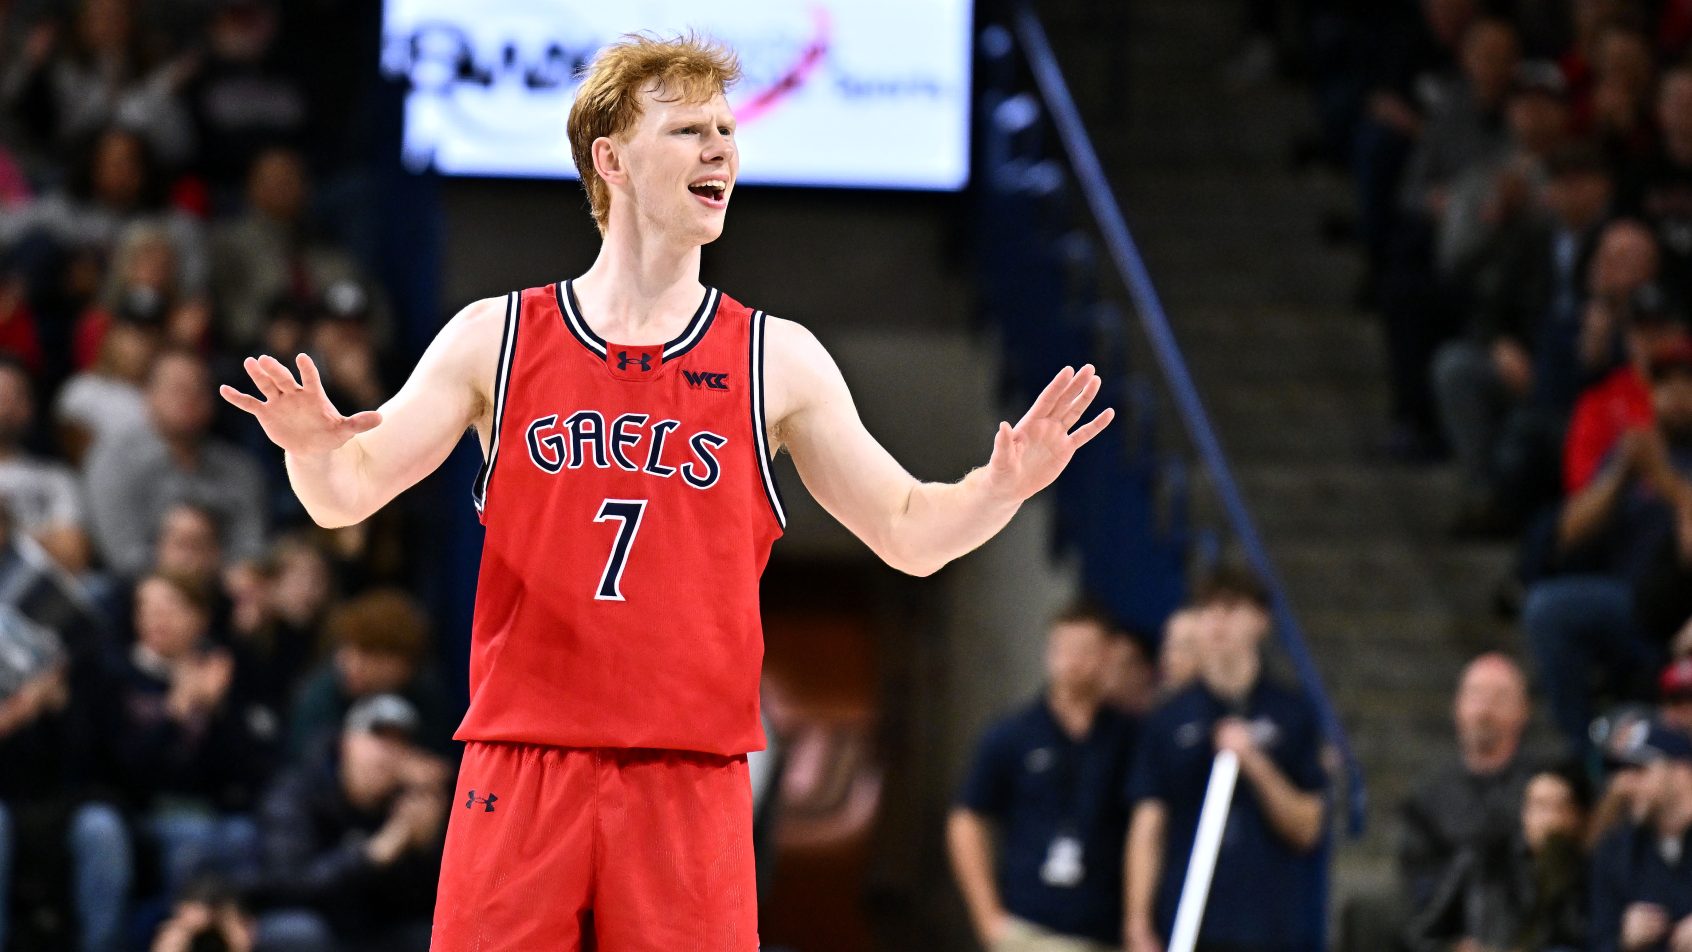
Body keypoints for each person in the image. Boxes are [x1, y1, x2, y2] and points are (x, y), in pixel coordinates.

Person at [218, 33, 1114, 949]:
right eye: (689, 129)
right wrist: (305, 450)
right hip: (525, 763)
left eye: (727, 128)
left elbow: (910, 532)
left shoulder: (778, 358)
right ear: (610, 159)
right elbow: (345, 495)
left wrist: (999, 487)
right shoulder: (495, 337)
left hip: (689, 776)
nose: (722, 146)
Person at [1124, 568, 1327, 952]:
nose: (1217, 621)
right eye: (1208, 609)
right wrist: (1137, 920)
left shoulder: (1293, 713)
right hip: (1190, 925)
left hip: (1271, 928)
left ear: (1261, 620)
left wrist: (1254, 762)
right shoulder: (1169, 720)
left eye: (1231, 608)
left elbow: (1308, 828)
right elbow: (1148, 825)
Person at [948, 602, 1139, 951]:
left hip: (1102, 927)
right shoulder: (1013, 733)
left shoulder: (1129, 736)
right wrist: (987, 917)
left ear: (1109, 655)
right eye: (1064, 648)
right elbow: (967, 818)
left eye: (1085, 649)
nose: (1073, 660)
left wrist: (1137, 920)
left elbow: (1147, 824)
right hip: (1028, 927)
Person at [247, 694, 447, 952]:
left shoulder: (408, 803)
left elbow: (416, 906)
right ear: (346, 742)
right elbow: (285, 884)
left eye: (399, 743)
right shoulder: (299, 790)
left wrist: (425, 850)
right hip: (308, 921)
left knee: (429, 935)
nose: (386, 753)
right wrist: (368, 856)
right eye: (377, 737)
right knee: (303, 933)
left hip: (374, 929)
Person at [86, 345, 268, 576]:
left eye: (199, 389)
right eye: (178, 389)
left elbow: (252, 548)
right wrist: (181, 574)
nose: (189, 398)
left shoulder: (240, 468)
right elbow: (123, 555)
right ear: (148, 395)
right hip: (139, 590)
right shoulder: (113, 460)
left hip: (227, 591)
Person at [1405, 766, 1590, 952]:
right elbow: (1420, 934)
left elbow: (1578, 933)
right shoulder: (1484, 859)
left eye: (1556, 808)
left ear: (1575, 816)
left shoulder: (1585, 872)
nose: (1545, 819)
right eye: (1537, 805)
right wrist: (1454, 948)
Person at [1588, 720, 1692, 952]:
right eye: (1621, 772)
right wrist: (1622, 940)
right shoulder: (1615, 850)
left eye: (1639, 770)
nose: (1625, 784)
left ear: (1682, 770)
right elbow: (1596, 939)